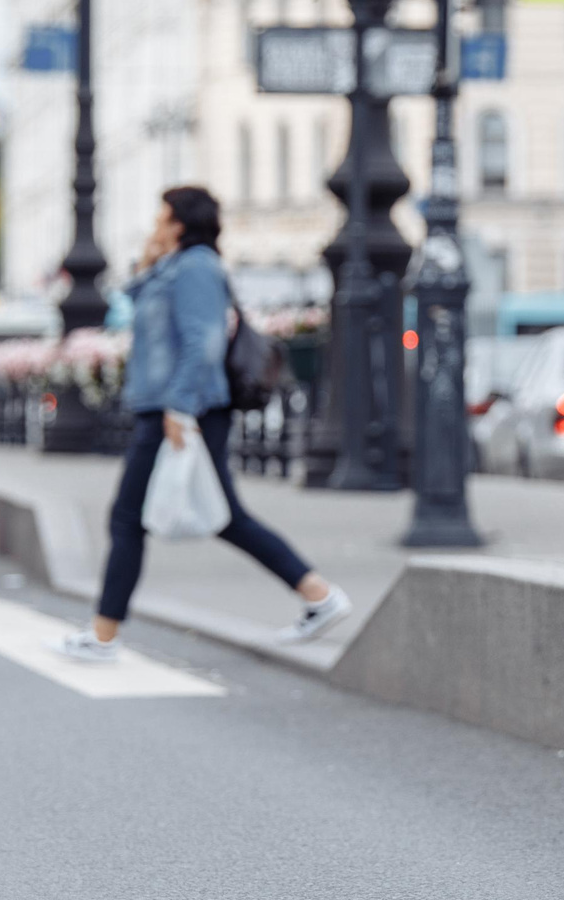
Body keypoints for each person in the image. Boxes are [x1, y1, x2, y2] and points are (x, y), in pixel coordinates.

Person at [57, 186, 347, 663]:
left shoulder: (197, 268)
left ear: (180, 223)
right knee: (223, 516)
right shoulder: (176, 266)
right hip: (171, 407)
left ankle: (104, 635)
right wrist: (149, 261)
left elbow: (204, 341)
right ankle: (319, 594)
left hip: (182, 410)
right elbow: (138, 310)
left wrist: (179, 409)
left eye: (162, 217)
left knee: (128, 517)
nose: (155, 224)